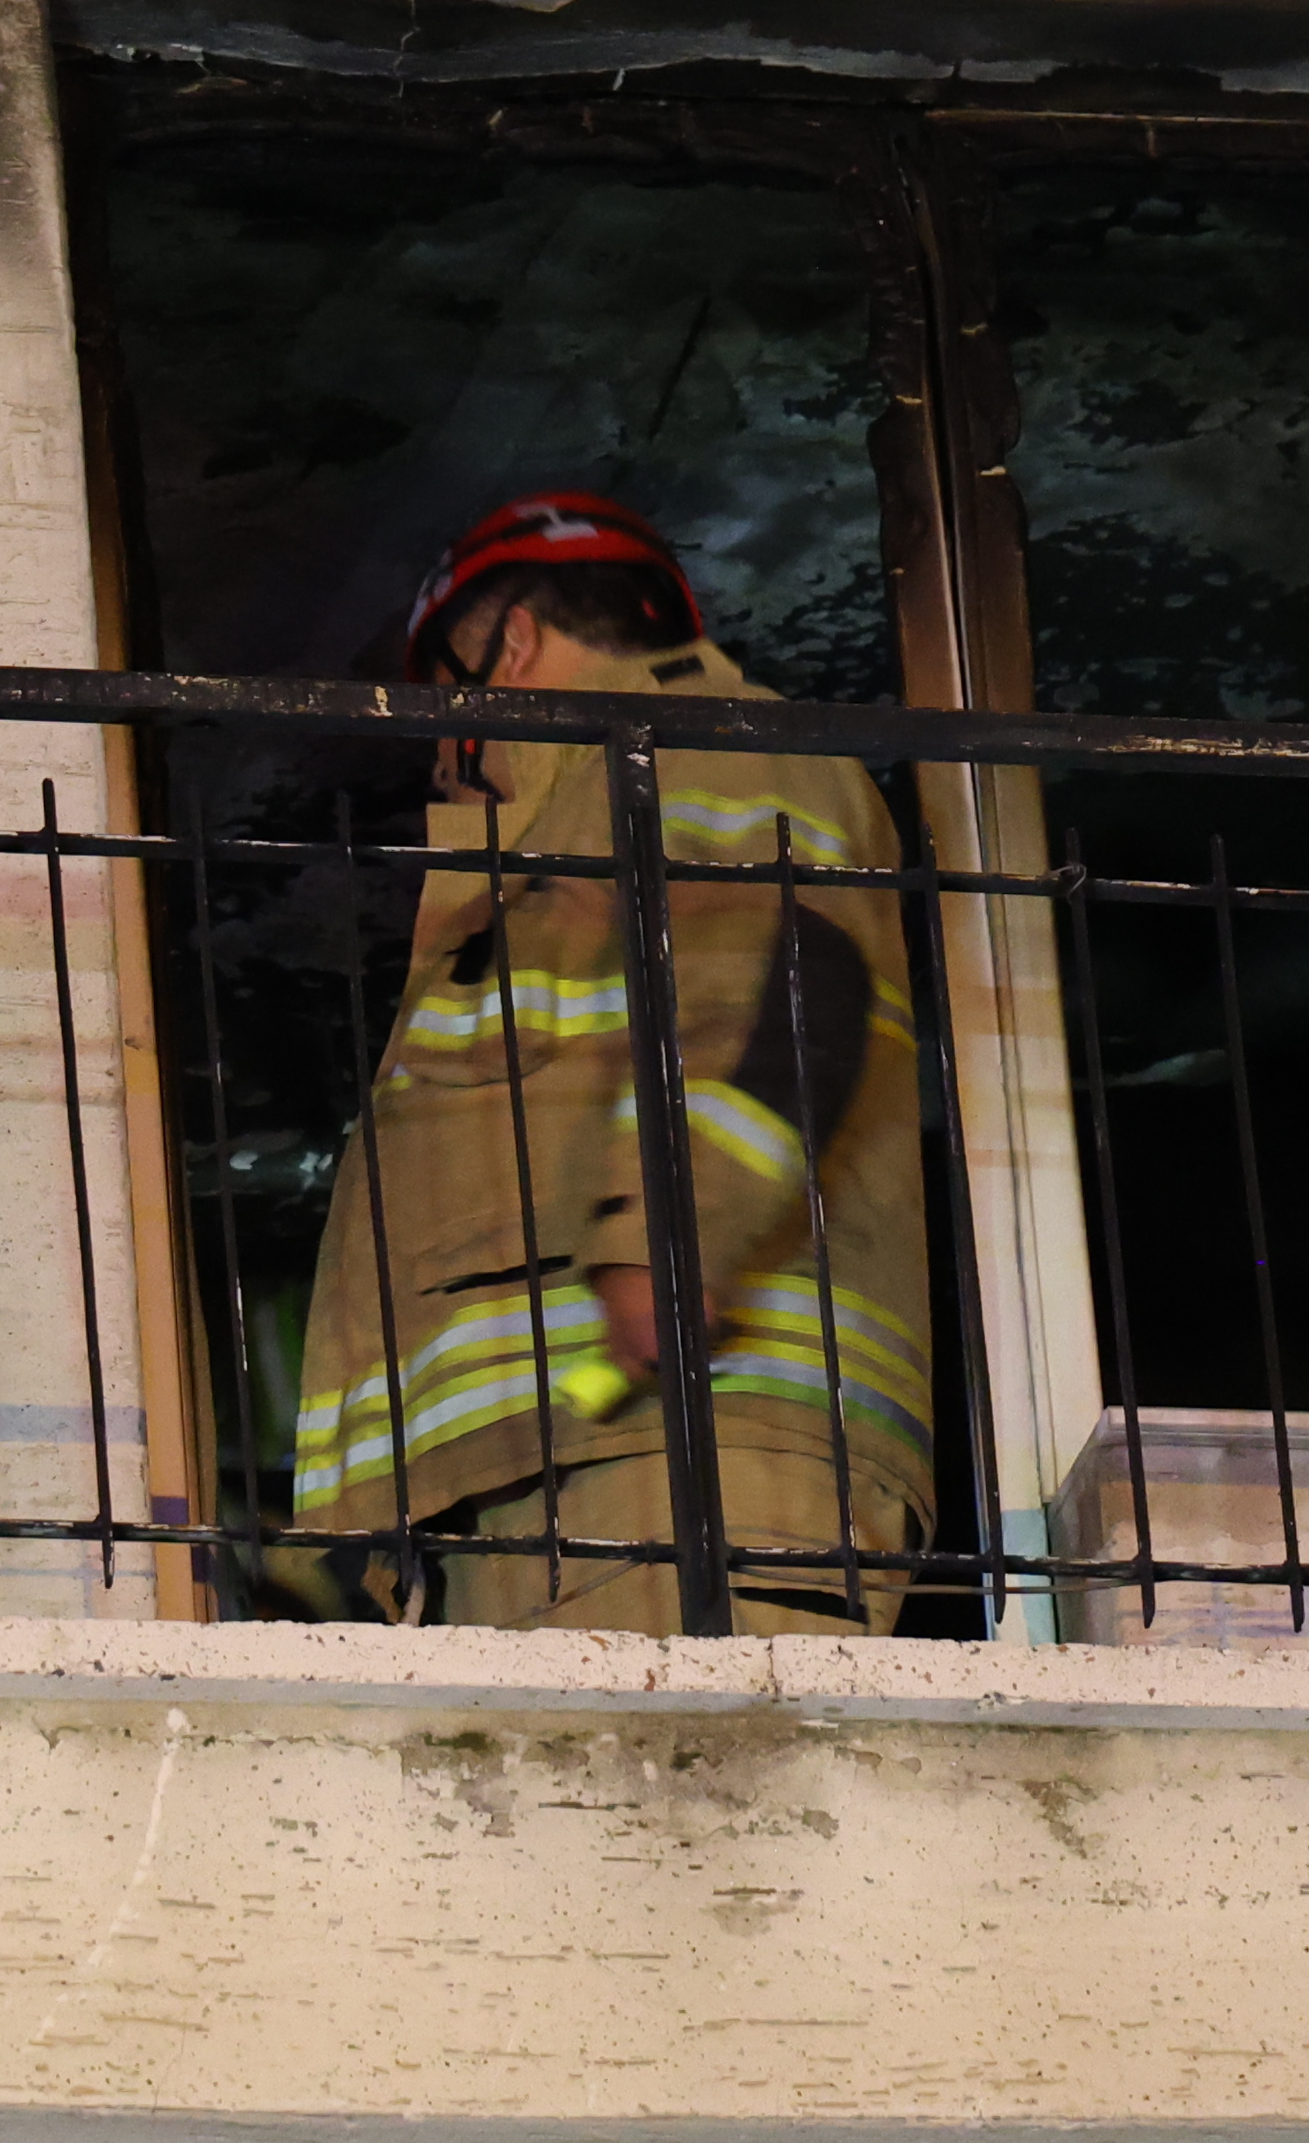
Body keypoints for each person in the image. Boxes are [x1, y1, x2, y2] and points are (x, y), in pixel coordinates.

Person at [285, 489, 935, 1634]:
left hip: (690, 1459)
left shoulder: (703, 747)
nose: (443, 755)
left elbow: (783, 992)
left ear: (513, 643)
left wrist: (658, 1246)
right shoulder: (583, 819)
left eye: (445, 699)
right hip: (577, 1461)